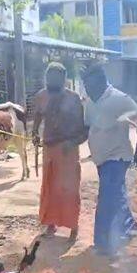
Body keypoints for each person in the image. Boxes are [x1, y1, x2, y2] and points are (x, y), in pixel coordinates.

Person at [81, 63, 137, 256]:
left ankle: (103, 243)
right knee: (116, 194)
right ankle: (129, 226)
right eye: (86, 86)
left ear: (102, 82)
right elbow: (88, 128)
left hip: (117, 157)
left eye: (91, 86)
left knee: (107, 199)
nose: (88, 90)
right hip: (101, 158)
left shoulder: (119, 99)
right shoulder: (90, 102)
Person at [32, 62, 87, 239]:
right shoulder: (41, 96)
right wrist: (34, 133)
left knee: (69, 189)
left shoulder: (74, 98)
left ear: (63, 79)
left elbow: (83, 128)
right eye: (49, 76)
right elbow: (38, 116)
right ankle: (50, 223)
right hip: (49, 149)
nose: (51, 80)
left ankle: (73, 226)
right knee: (50, 187)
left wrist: (72, 143)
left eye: (55, 77)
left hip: (68, 151)